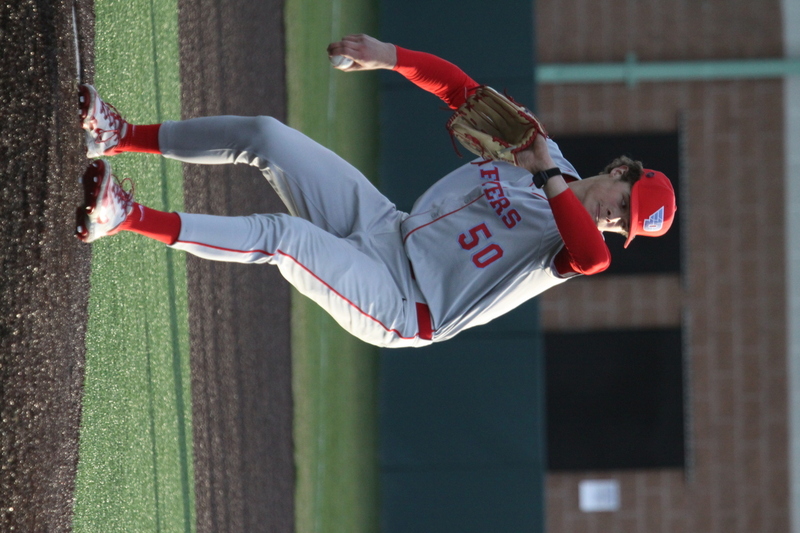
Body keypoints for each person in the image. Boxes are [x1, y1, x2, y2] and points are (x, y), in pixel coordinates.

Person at [75, 34, 676, 349]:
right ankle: (118, 135)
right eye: (625, 204)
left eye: (624, 224)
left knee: (282, 239)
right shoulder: (537, 145)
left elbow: (591, 258)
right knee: (267, 136)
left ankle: (123, 217)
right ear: (622, 173)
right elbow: (463, 91)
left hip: (402, 303)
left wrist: (545, 173)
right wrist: (389, 57)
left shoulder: (575, 242)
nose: (614, 218)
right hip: (387, 226)